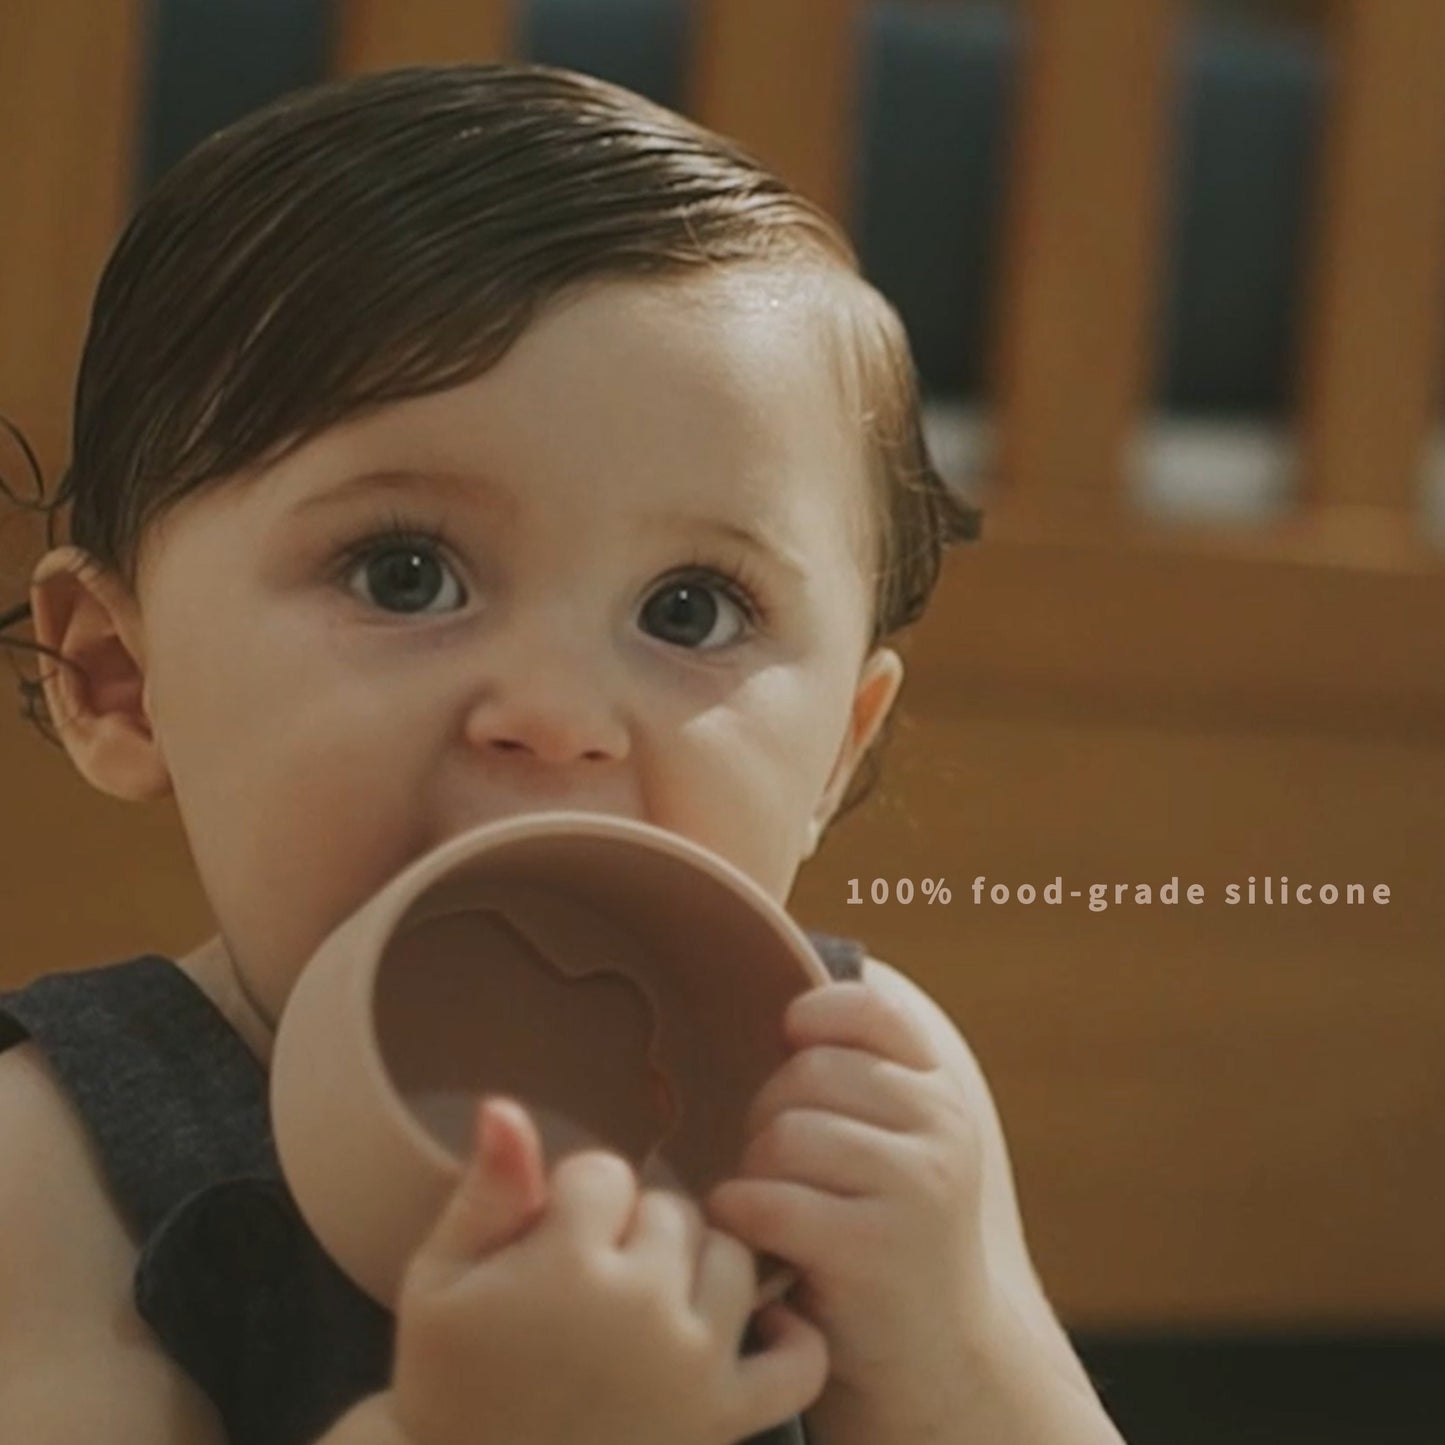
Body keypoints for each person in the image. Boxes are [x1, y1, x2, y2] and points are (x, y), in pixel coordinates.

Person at [0, 61, 1123, 1445]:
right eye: (404, 572)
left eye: (689, 609)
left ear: (837, 751)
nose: (555, 710)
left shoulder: (862, 1097)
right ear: (119, 679)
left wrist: (942, 1338)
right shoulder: (56, 1159)